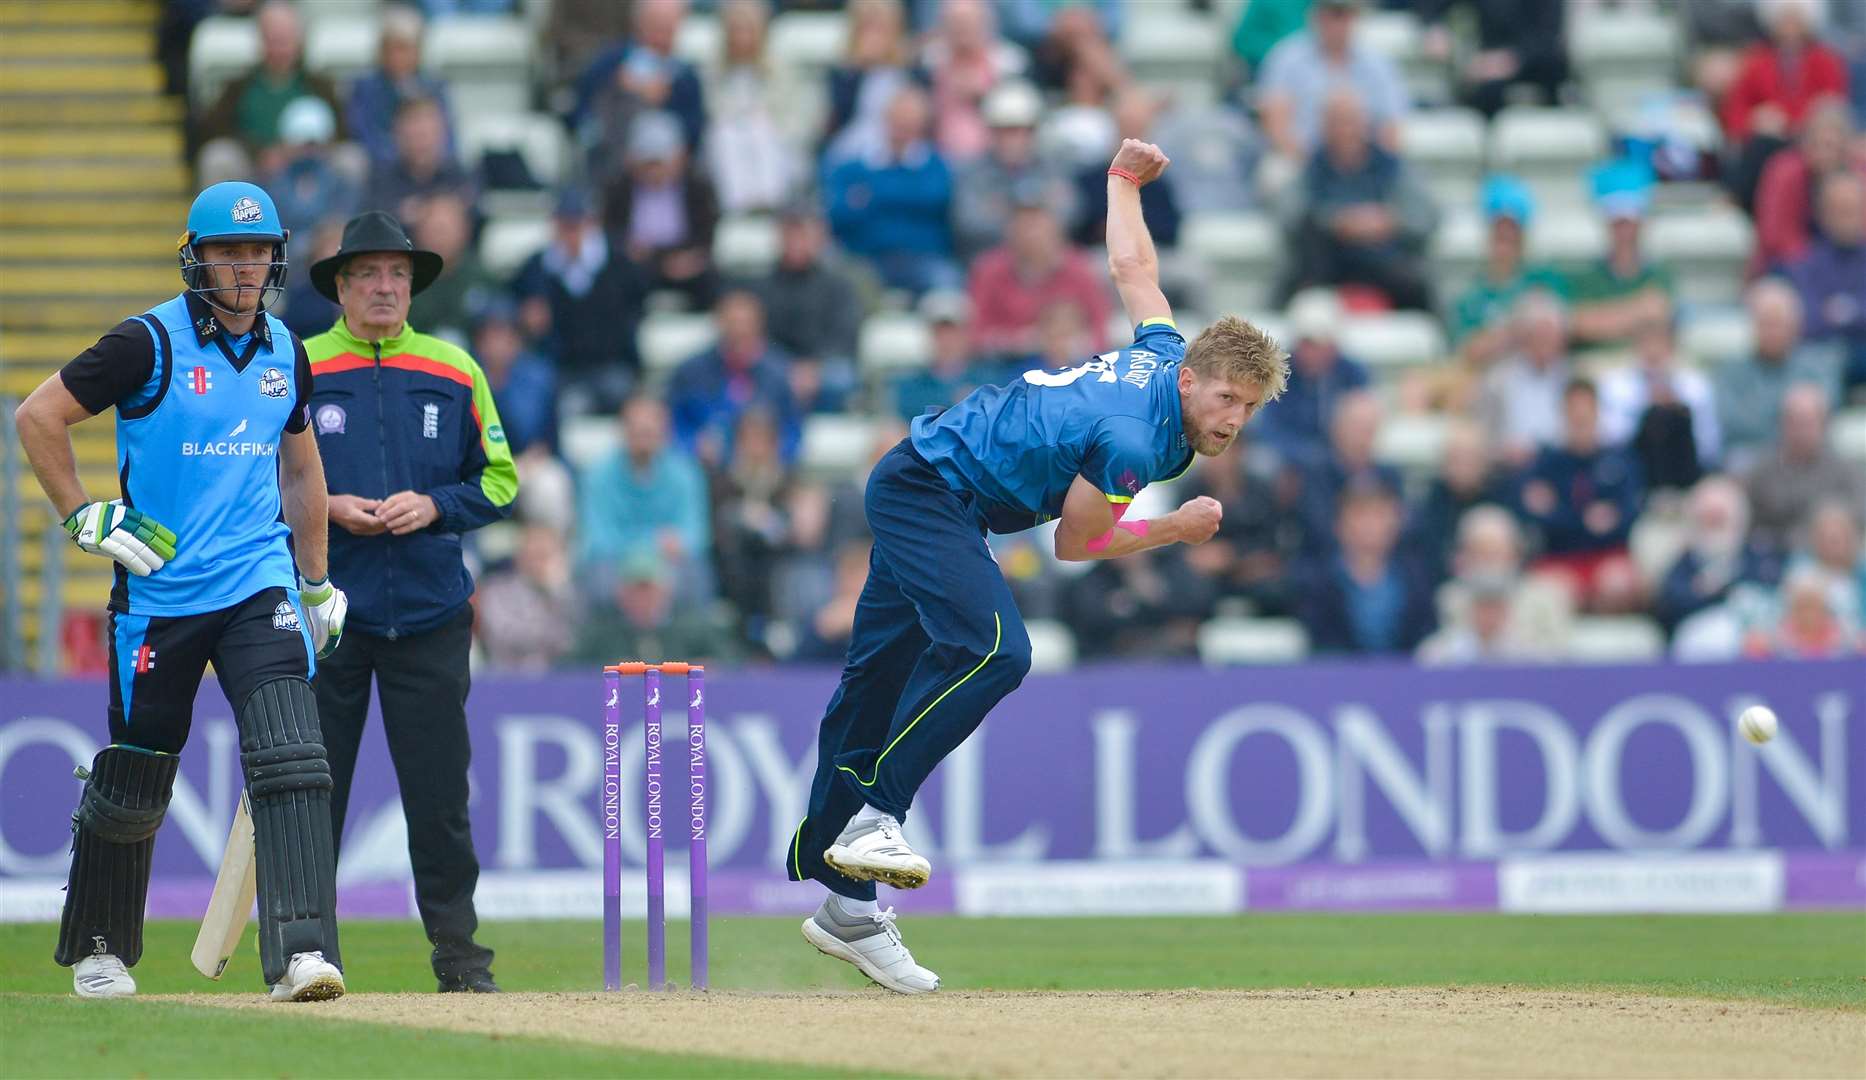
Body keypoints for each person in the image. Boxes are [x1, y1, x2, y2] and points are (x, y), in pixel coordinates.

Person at [786, 139, 1287, 994]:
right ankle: (877, 817)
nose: (1234, 420)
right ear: (1195, 378)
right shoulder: (1140, 442)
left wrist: (1122, 180)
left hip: (941, 484)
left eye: (1249, 408)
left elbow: (1134, 264)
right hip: (928, 491)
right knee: (997, 652)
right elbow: (1076, 544)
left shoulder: (1164, 353)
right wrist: (1177, 532)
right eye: (1227, 399)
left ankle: (847, 906)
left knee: (873, 686)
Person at [13, 181, 348, 1001]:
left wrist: (314, 583)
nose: (244, 266)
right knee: (135, 775)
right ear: (197, 255)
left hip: (256, 580)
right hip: (161, 591)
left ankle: (302, 953)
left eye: (258, 250)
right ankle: (99, 948)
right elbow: (36, 416)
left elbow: (302, 470)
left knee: (292, 752)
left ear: (276, 257)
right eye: (228, 251)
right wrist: (82, 511)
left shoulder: (285, 350)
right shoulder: (145, 343)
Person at [303, 210, 519, 994]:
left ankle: (460, 960)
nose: (385, 287)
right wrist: (325, 506)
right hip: (327, 615)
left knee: (439, 802)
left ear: (413, 286)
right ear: (341, 287)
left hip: (430, 615)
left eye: (398, 274)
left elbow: (499, 480)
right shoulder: (297, 368)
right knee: (314, 795)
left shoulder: (455, 368)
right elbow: (260, 480)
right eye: (368, 274)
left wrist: (433, 507)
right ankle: (307, 954)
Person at [1277, 88, 1437, 311]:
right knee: (1298, 277)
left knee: (1416, 285)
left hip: (1382, 261)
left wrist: (1389, 221)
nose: (1345, 131)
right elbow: (1289, 214)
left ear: (1366, 125)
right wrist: (1338, 222)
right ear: (1324, 127)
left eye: (1351, 122)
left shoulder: (1391, 167)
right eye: (1337, 122)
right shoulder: (1312, 168)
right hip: (1328, 263)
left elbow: (1426, 215)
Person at [1715, 279, 1843, 470]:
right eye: (1766, 323)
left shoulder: (1820, 366)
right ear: (1753, 325)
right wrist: (1792, 420)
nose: (1772, 331)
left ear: (1796, 324)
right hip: (1753, 458)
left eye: (1779, 323)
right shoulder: (1732, 371)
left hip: (1809, 458)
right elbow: (1731, 423)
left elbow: (1826, 414)